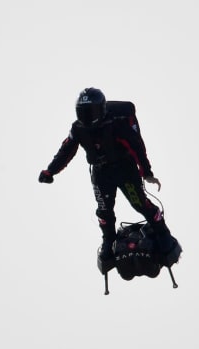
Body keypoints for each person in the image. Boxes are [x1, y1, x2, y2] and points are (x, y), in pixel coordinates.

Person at [38, 87, 173, 260]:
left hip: (125, 169)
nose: (87, 117)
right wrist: (50, 171)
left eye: (91, 112)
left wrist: (146, 172)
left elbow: (136, 146)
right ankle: (108, 240)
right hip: (101, 174)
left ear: (101, 110)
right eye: (83, 112)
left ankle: (162, 232)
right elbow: (66, 150)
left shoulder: (115, 123)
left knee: (140, 203)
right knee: (104, 210)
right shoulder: (78, 128)